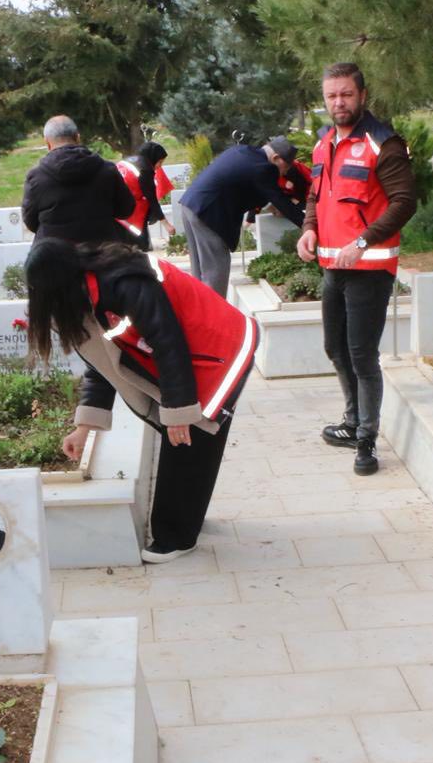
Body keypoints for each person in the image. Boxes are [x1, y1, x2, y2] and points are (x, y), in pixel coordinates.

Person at [26, 238, 258, 563]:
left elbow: (168, 342)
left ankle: (176, 537)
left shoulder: (124, 281)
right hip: (193, 353)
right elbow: (104, 362)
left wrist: (177, 411)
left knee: (189, 440)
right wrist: (84, 427)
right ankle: (184, 524)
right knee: (189, 442)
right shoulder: (88, 291)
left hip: (217, 347)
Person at [296, 63, 418, 477]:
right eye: (332, 96)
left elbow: (404, 202)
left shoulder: (383, 143)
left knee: (363, 355)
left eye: (346, 94)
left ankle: (366, 440)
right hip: (333, 265)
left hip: (370, 267)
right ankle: (351, 423)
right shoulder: (323, 142)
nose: (339, 102)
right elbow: (316, 195)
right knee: (335, 348)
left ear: (362, 96)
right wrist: (309, 229)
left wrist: (363, 241)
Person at [176, 136, 305, 296]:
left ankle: (200, 309)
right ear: (276, 158)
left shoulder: (241, 151)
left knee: (199, 270)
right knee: (215, 271)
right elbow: (280, 200)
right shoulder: (265, 167)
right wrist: (308, 226)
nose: (284, 173)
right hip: (210, 214)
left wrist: (270, 207)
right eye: (285, 167)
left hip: (190, 205)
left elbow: (243, 185)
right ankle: (215, 311)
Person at [21, 115, 134, 245]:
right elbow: (126, 209)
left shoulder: (36, 177)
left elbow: (30, 221)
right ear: (77, 137)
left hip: (53, 252)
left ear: (47, 143)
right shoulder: (107, 170)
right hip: (103, 250)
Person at [114, 141, 175, 251]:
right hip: (130, 215)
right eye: (160, 162)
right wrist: (167, 225)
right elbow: (151, 199)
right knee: (138, 247)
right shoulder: (145, 170)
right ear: (153, 158)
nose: (159, 166)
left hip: (115, 211)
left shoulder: (127, 161)